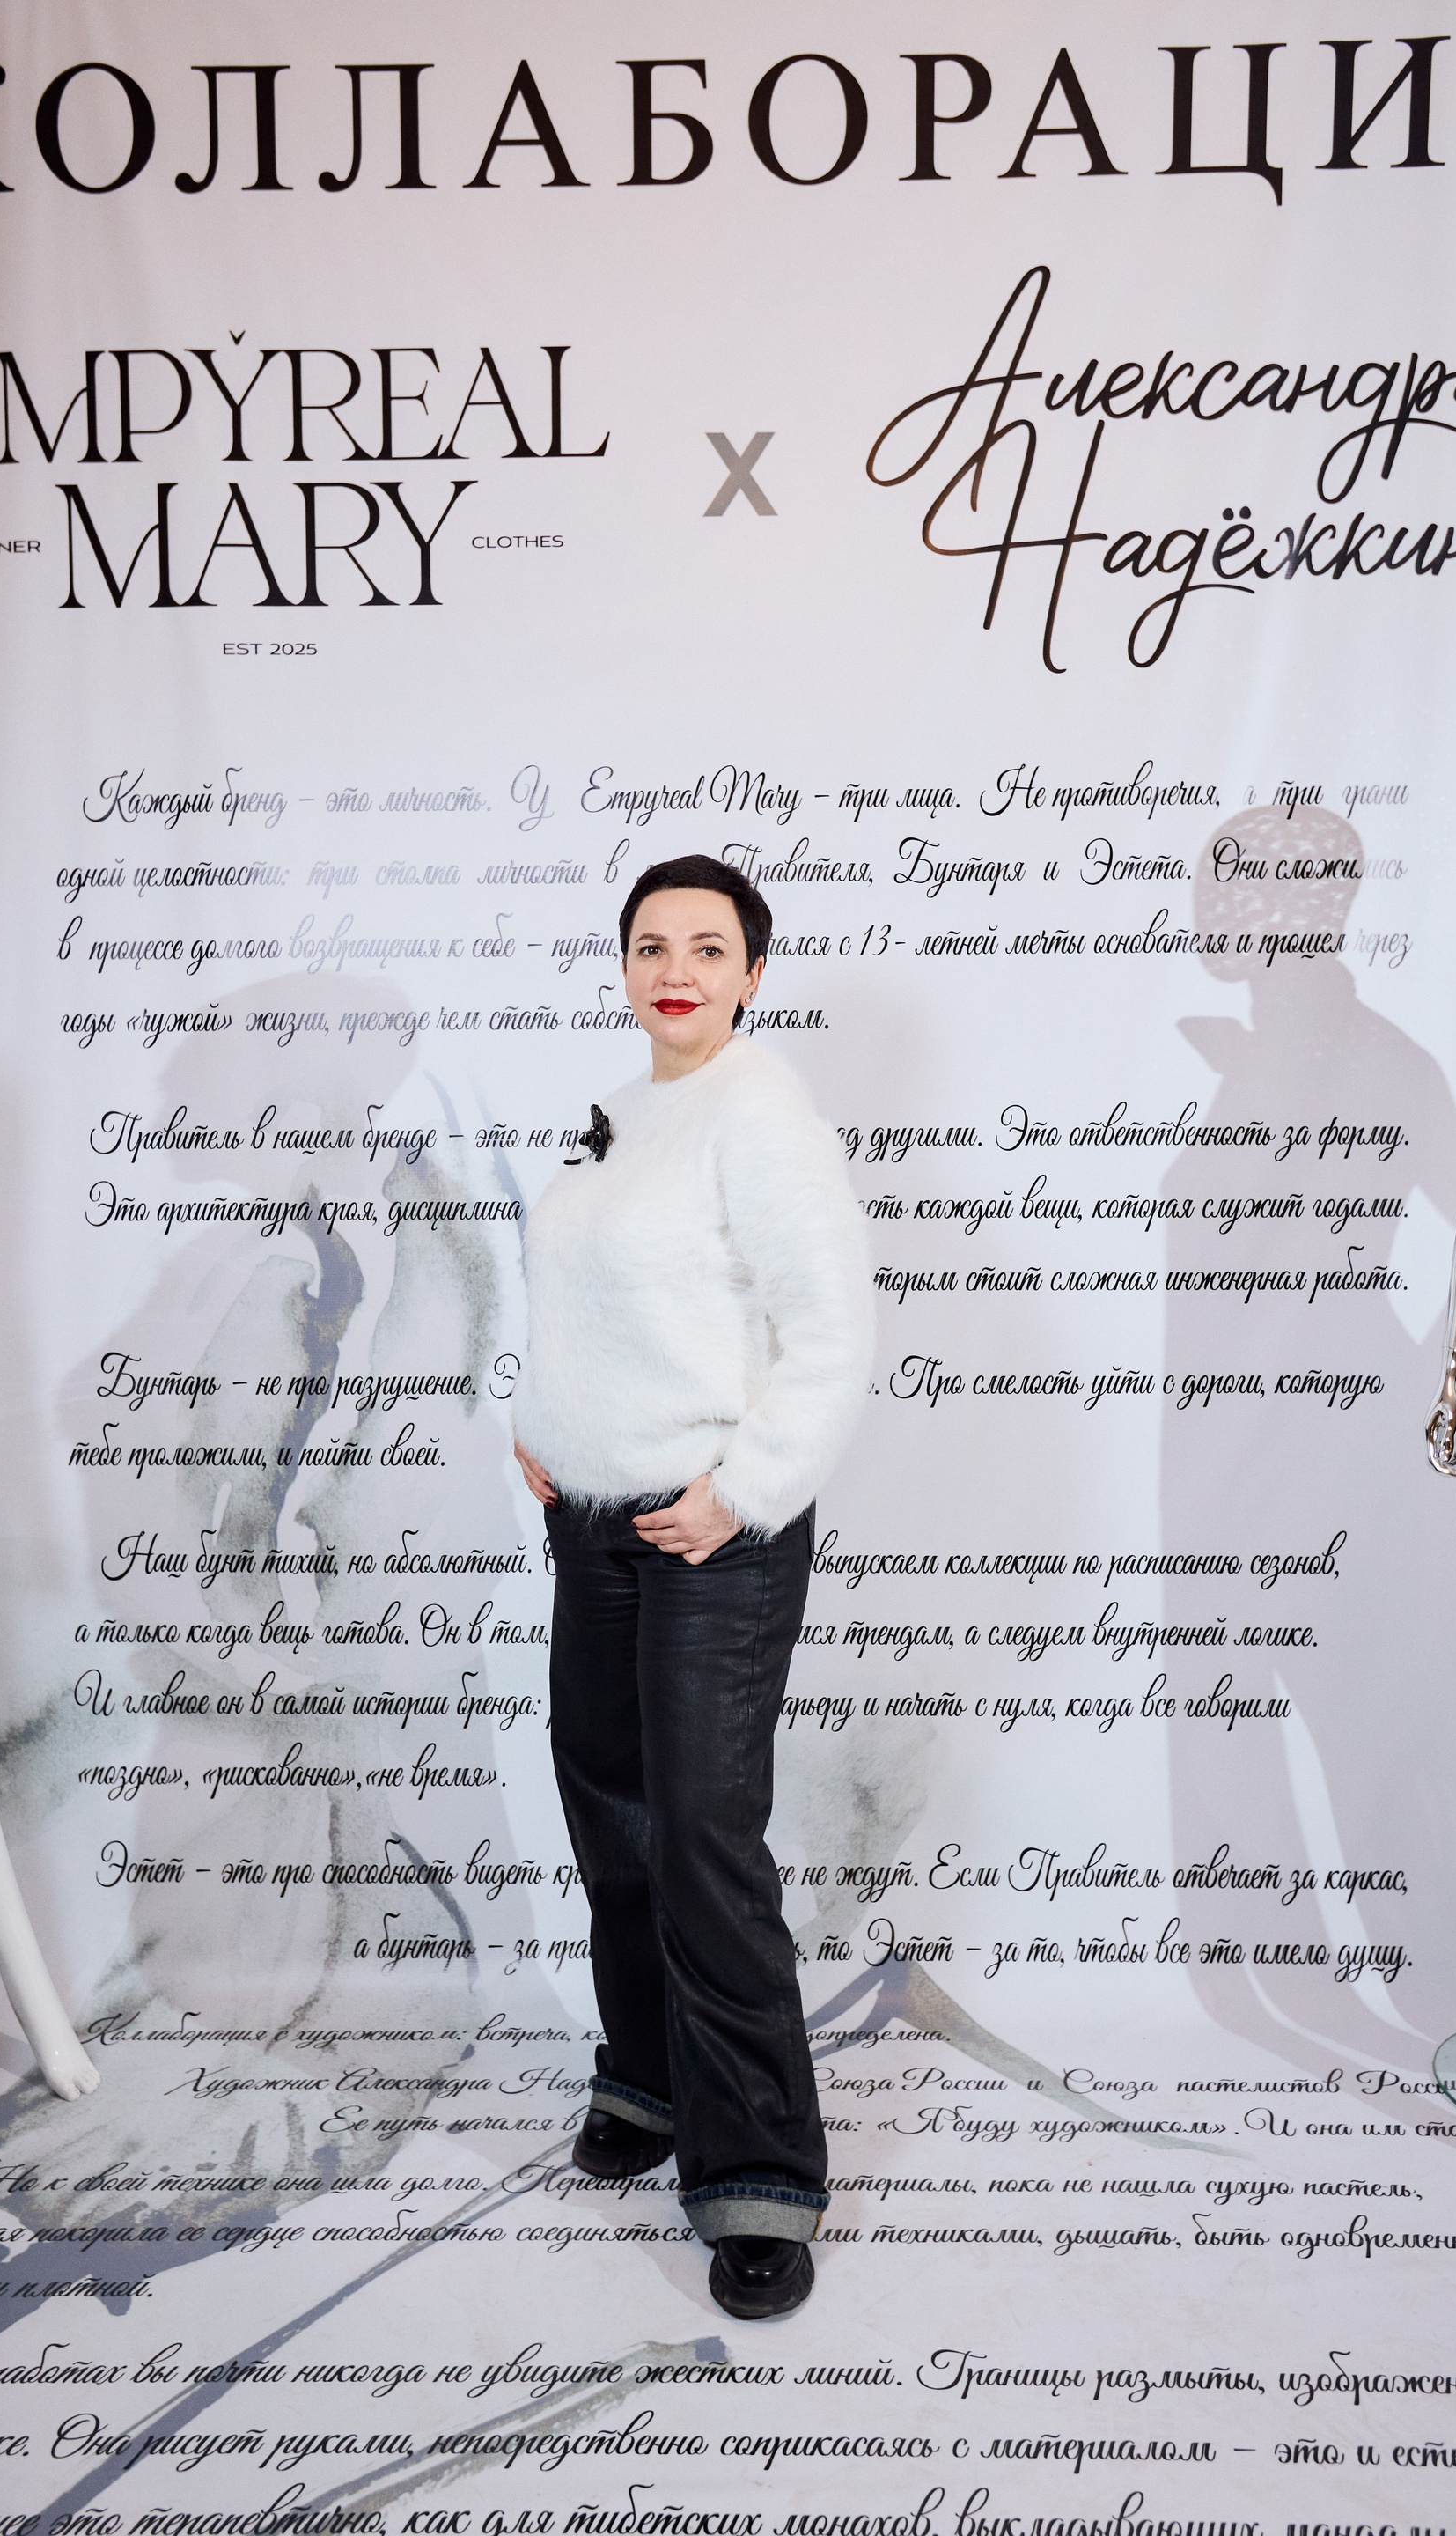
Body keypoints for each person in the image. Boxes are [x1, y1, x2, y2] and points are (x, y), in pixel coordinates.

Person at [514, 853, 874, 2319]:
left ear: (752, 974)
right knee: (613, 1813)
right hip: (594, 1526)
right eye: (651, 944)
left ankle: (760, 2177)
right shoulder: (631, 1111)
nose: (676, 969)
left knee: (707, 1845)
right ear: (623, 966)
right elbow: (600, 1305)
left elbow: (833, 1330)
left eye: (707, 947)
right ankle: (648, 2081)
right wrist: (543, 1426)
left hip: (716, 1534)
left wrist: (746, 1490)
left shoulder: (760, 1112)